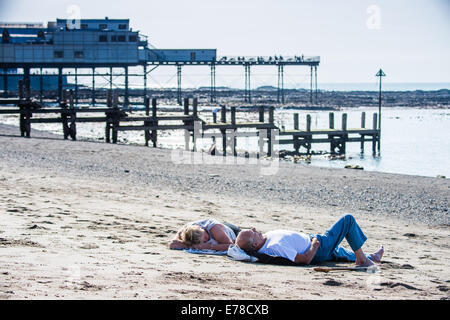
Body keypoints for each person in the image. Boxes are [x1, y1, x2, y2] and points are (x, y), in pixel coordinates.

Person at [235, 214, 384, 267]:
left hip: (315, 242)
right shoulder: (276, 246)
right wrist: (314, 245)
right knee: (348, 220)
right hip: (318, 246)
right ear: (255, 244)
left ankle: (371, 257)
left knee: (340, 253)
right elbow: (303, 260)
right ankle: (362, 260)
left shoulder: (264, 242)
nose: (254, 228)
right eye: (252, 232)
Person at [169, 218, 239, 251]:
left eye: (205, 236)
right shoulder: (184, 232)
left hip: (232, 231)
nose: (206, 239)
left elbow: (231, 246)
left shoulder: (214, 229)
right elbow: (173, 244)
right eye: (204, 241)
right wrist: (191, 245)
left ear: (202, 228)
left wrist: (208, 246)